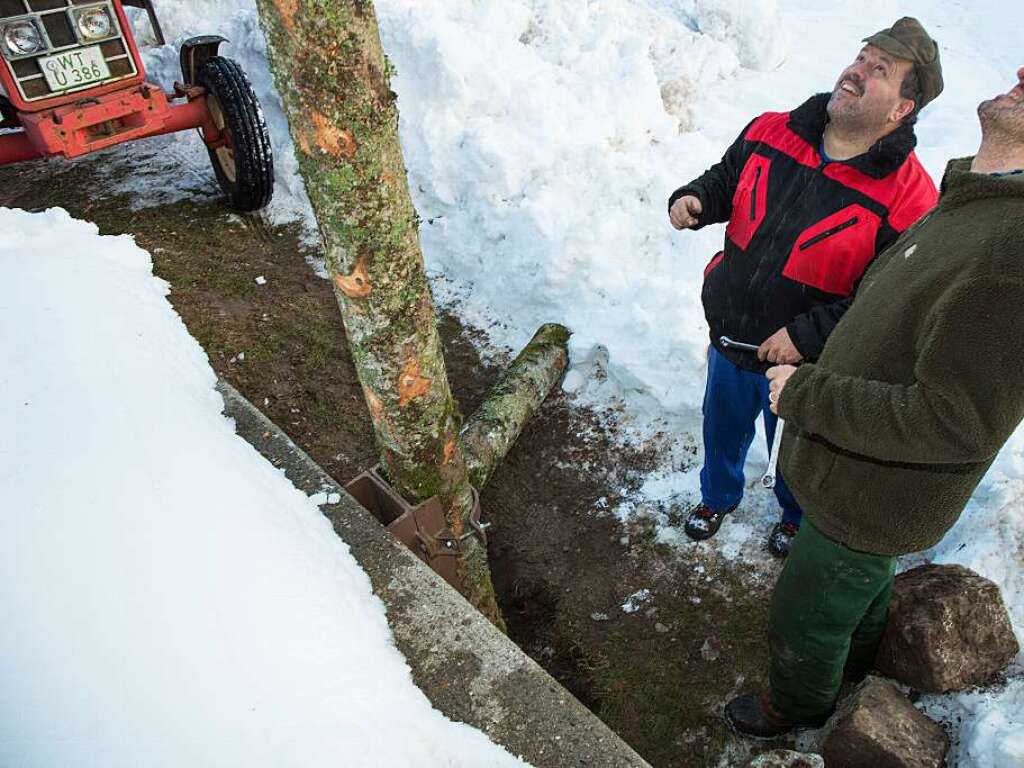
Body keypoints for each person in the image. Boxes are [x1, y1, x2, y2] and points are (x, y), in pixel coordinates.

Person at [725, 65, 1024, 738]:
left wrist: (810, 395)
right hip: (857, 476)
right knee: (853, 597)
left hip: (870, 493)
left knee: (805, 612)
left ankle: (797, 709)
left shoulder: (1015, 248)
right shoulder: (981, 203)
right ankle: (857, 664)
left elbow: (955, 421)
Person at [667, 18, 942, 557]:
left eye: (879, 69)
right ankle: (717, 496)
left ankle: (795, 515)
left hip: (806, 365)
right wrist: (697, 199)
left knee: (798, 449)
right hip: (730, 333)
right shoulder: (772, 129)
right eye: (862, 57)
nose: (858, 70)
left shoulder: (910, 197)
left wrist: (805, 336)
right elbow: (726, 179)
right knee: (720, 428)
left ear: (901, 109)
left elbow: (882, 302)